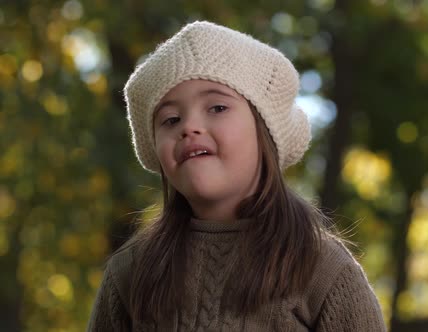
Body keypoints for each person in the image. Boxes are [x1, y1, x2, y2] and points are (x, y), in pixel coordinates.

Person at [87, 20, 386, 331]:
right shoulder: (131, 272)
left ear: (265, 131)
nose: (189, 127)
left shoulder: (320, 268)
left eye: (216, 108)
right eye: (170, 119)